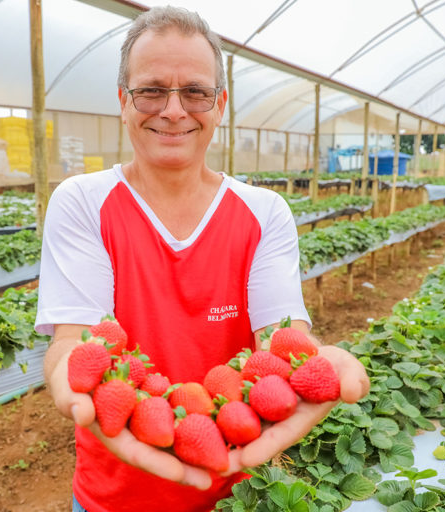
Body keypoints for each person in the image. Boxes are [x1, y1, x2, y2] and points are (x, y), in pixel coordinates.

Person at [35, 6, 369, 512]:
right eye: (151, 90)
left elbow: (280, 343)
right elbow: (77, 343)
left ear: (220, 104)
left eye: (195, 91)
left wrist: (308, 363)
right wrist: (69, 375)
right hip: (112, 495)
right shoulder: (82, 201)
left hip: (236, 489)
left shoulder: (263, 212)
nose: (173, 110)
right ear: (124, 102)